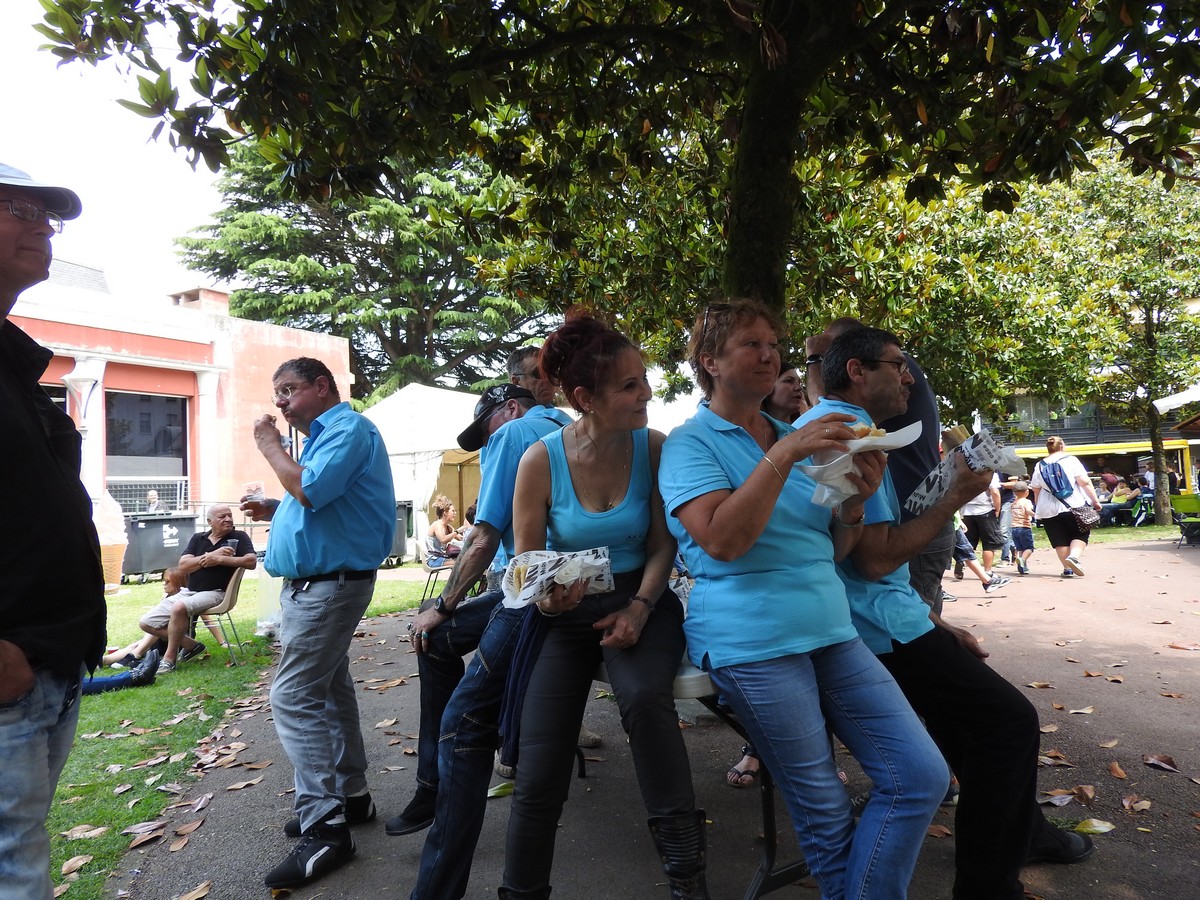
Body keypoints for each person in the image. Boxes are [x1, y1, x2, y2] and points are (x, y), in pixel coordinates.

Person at [660, 300, 947, 899]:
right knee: (823, 808)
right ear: (709, 361)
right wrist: (782, 456)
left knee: (921, 774)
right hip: (753, 640)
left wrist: (854, 503)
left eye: (774, 343)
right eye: (751, 344)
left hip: (831, 630)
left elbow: (838, 549)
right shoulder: (692, 444)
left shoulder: (799, 436)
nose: (770, 355)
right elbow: (722, 542)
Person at [805, 326, 1093, 900]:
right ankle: (989, 883)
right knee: (1008, 722)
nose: (910, 376)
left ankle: (1016, 841)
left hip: (886, 620)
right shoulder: (848, 439)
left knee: (977, 725)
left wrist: (935, 621)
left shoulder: (844, 430)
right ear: (856, 370)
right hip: (874, 631)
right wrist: (957, 495)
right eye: (898, 365)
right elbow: (873, 562)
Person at [499, 316, 705, 899]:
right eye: (630, 387)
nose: (647, 395)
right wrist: (547, 597)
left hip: (643, 597)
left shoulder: (655, 447)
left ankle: (688, 877)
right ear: (585, 398)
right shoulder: (540, 460)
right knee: (540, 766)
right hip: (565, 613)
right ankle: (521, 890)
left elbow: (665, 542)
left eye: (644, 381)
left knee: (645, 699)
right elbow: (526, 558)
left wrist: (641, 607)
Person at [402, 384, 566, 900]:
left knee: (464, 722)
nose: (485, 443)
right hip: (547, 581)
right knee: (441, 643)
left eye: (486, 428)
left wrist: (443, 604)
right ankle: (433, 784)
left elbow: (484, 535)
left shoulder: (516, 432)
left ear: (510, 409)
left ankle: (436, 884)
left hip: (533, 587)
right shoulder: (566, 423)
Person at [240, 357, 395, 890]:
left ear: (323, 387)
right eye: (277, 393)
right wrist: (272, 506)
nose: (281, 402)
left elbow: (310, 490)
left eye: (289, 390)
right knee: (329, 689)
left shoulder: (348, 427)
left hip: (329, 586)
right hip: (321, 584)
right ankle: (351, 799)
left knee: (293, 695)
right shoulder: (326, 436)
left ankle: (326, 827)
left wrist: (268, 445)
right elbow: (313, 499)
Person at [0, 162, 107, 900]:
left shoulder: (15, 358)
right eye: (15, 208)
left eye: (46, 214)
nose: (40, 225)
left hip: (50, 666)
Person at [138, 504, 255, 673]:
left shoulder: (239, 537)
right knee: (147, 623)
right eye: (222, 516)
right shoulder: (198, 538)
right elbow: (183, 566)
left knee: (179, 607)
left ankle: (169, 659)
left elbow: (251, 562)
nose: (228, 519)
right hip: (189, 592)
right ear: (209, 521)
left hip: (216, 593)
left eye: (230, 515)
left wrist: (220, 560)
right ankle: (192, 646)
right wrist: (210, 556)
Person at [1029, 436, 1101, 578]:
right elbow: (1084, 482)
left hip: (1047, 508)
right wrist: (1095, 501)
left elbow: (1036, 489)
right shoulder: (1071, 460)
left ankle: (1067, 569)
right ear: (1062, 446)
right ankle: (1073, 557)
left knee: (1059, 539)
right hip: (1073, 504)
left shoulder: (1039, 465)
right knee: (1081, 532)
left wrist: (1038, 508)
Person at [959, 473, 1006, 582]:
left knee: (968, 541)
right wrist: (997, 509)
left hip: (967, 511)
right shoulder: (990, 473)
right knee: (989, 543)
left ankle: (961, 562)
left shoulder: (965, 471)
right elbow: (994, 492)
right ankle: (988, 570)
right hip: (985, 510)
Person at [507, 345, 572, 425]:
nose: (548, 380)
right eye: (538, 373)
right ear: (516, 382)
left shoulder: (563, 419)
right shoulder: (504, 428)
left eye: (551, 373)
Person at [425, 494, 464, 565]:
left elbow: (460, 538)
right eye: (453, 511)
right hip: (433, 560)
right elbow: (443, 539)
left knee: (466, 560)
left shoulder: (448, 527)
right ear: (445, 512)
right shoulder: (437, 525)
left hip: (443, 557)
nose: (455, 513)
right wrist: (458, 530)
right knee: (462, 563)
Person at [1010, 482, 1035, 575]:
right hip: (1024, 527)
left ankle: (1022, 567)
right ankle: (1022, 559)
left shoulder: (1013, 503)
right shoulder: (1026, 502)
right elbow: (1028, 511)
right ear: (1027, 492)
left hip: (1014, 528)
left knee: (1020, 548)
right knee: (1029, 548)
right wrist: (1036, 515)